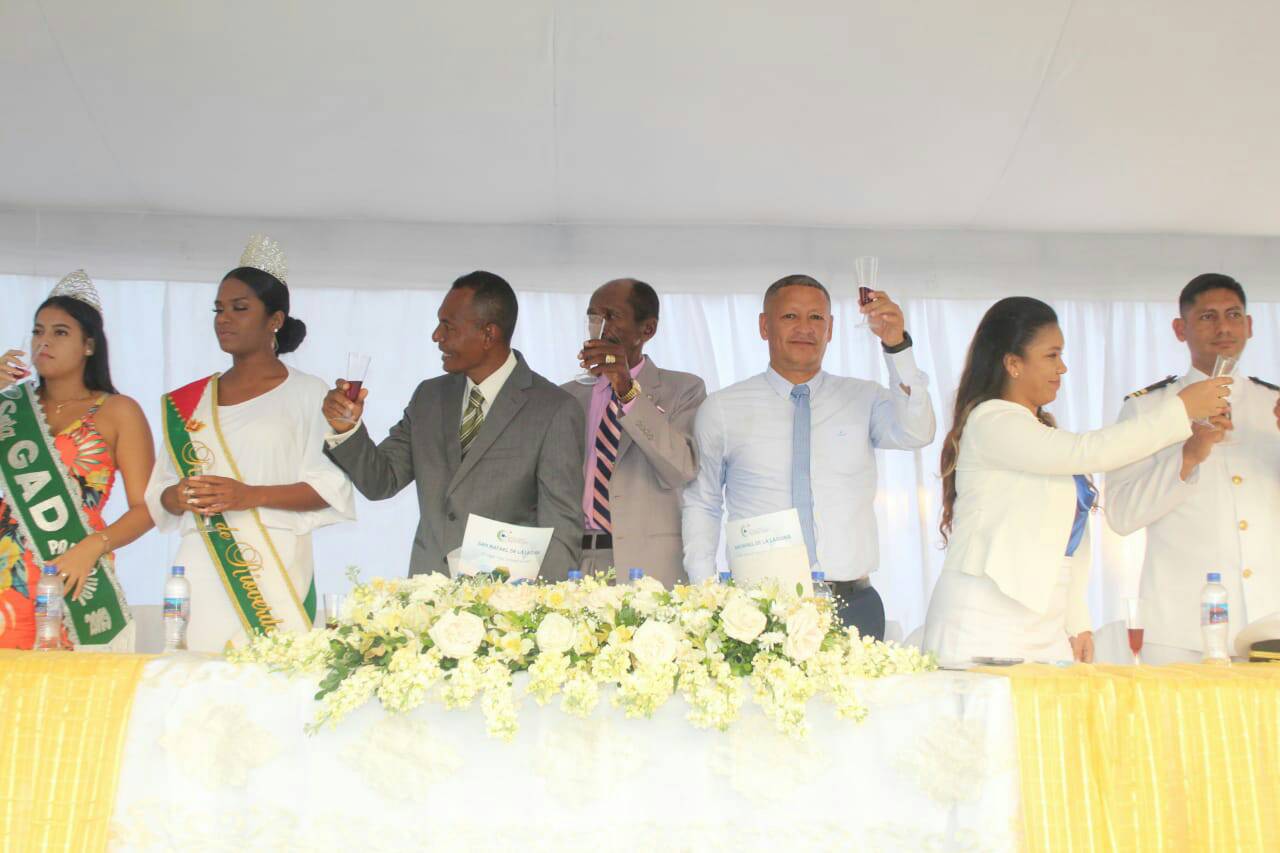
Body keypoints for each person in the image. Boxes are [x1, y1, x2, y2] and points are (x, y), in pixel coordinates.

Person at [921, 297, 1229, 665]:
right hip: (984, 618)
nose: (1063, 367)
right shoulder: (991, 421)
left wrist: (1077, 621)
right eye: (1052, 355)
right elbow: (1091, 451)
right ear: (1013, 364)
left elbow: (1067, 541)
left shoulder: (1038, 430)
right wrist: (1180, 409)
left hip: (1045, 622)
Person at [682, 274, 935, 639]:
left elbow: (918, 431)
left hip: (852, 604)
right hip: (757, 609)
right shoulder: (723, 408)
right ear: (764, 326)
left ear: (830, 329)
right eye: (790, 316)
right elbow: (702, 503)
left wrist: (897, 348)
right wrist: (705, 595)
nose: (805, 328)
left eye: (816, 318)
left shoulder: (864, 398)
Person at [145, 236, 355, 651]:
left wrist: (248, 495)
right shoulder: (188, 401)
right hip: (201, 560)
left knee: (272, 674)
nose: (224, 319)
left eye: (239, 308)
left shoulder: (310, 393)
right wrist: (178, 495)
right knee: (195, 674)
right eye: (219, 309)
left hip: (274, 560)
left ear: (275, 319)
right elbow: (160, 496)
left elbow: (329, 488)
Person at [322, 271, 584, 579]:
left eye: (448, 326)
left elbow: (561, 530)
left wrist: (534, 605)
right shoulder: (429, 397)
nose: (437, 336)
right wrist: (347, 428)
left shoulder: (553, 409)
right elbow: (381, 482)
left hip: (507, 599)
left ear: (488, 334)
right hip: (428, 592)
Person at [1106, 274, 1280, 662]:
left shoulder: (1273, 405)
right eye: (1207, 317)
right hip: (1180, 629)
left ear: (1250, 325)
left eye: (1233, 315)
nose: (1223, 327)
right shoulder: (1148, 408)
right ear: (1179, 329)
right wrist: (1187, 456)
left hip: (1268, 625)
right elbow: (1121, 514)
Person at [0, 271, 154, 650]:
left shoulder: (118, 411)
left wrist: (93, 547)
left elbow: (148, 508)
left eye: (60, 332)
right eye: (38, 331)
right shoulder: (10, 407)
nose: (44, 341)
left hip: (75, 572)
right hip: (7, 572)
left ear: (89, 345)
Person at [561, 278, 706, 586]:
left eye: (611, 316)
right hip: (575, 563)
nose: (600, 327)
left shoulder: (683, 389)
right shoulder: (566, 397)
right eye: (593, 317)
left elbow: (681, 468)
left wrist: (626, 389)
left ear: (647, 329)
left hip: (650, 566)